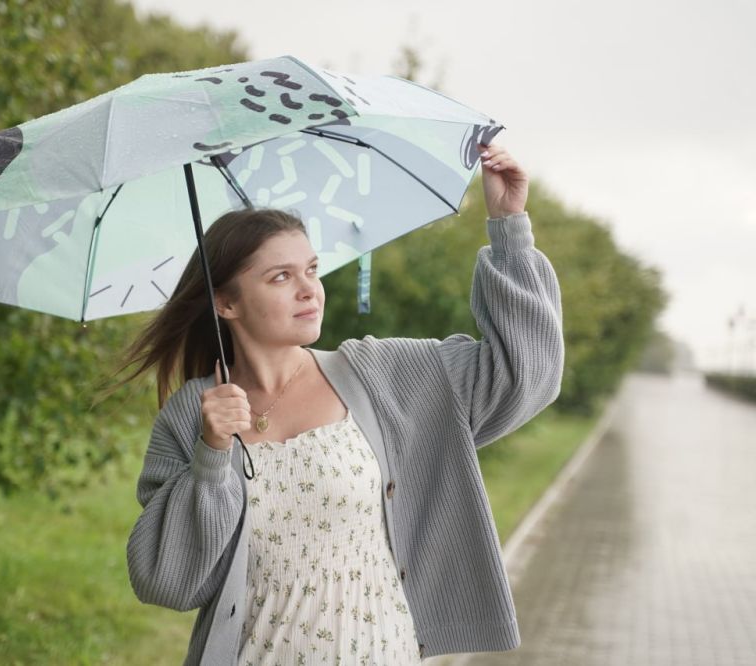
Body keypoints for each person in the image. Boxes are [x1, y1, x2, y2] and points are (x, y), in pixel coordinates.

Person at [115, 143, 564, 664]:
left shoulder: (385, 375)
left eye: (311, 269)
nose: (310, 289)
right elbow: (167, 582)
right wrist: (211, 455)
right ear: (226, 302)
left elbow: (524, 373)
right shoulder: (194, 417)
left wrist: (509, 229)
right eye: (281, 277)